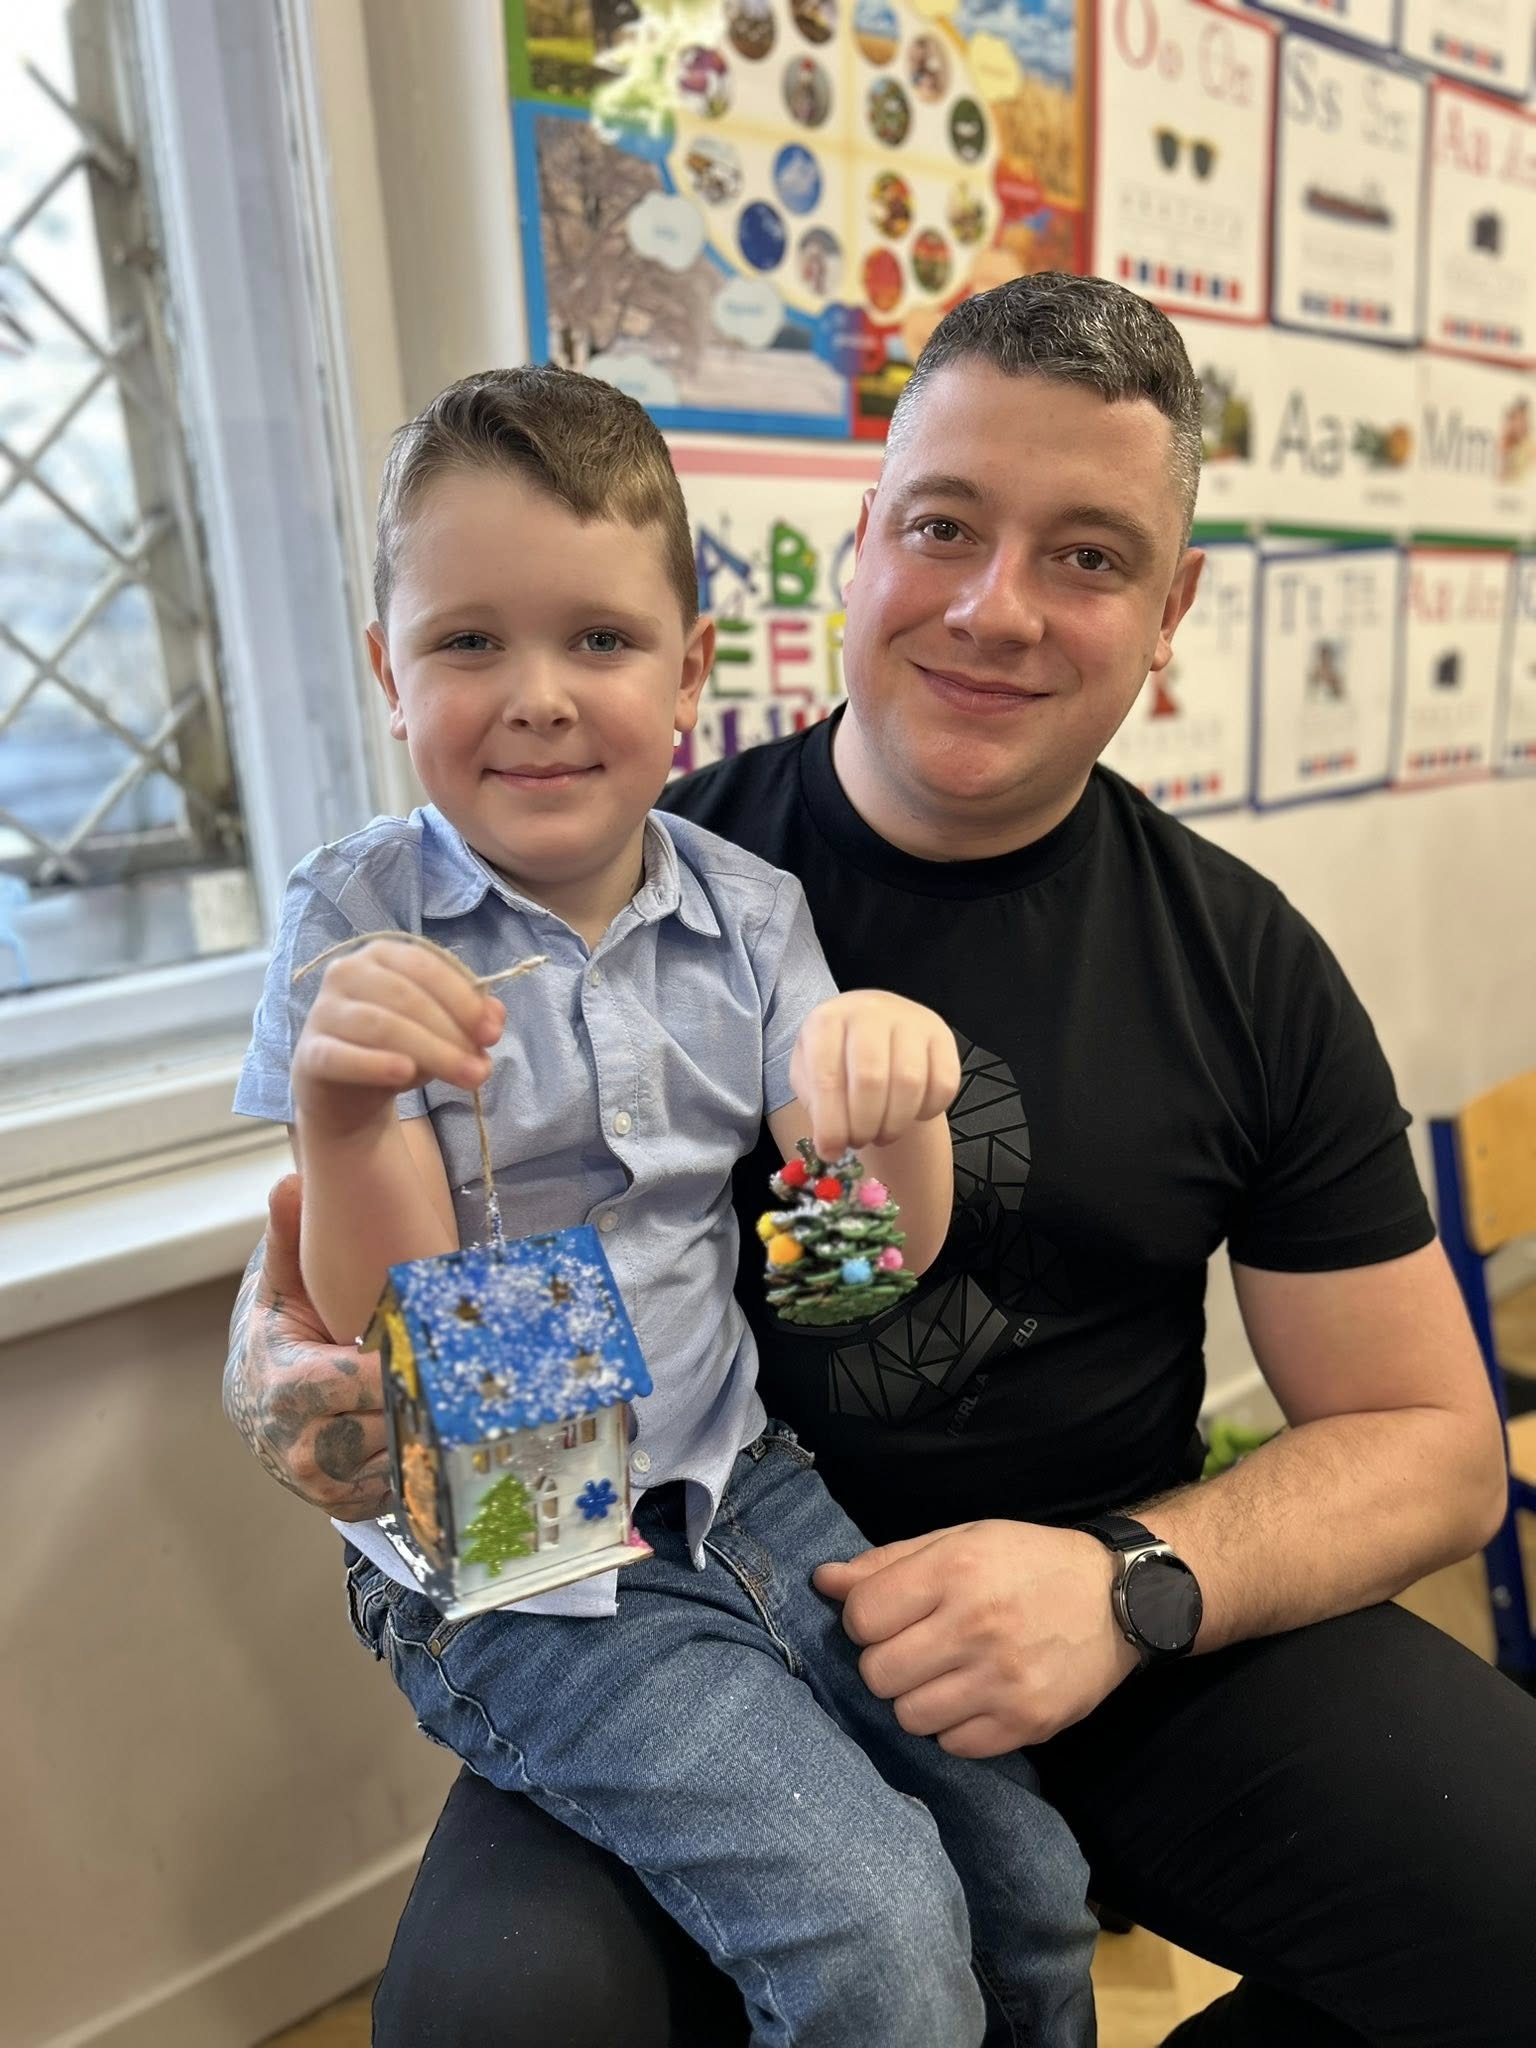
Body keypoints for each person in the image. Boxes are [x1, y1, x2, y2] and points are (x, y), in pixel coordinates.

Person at [225, 276, 1536, 2047]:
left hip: (1095, 1616)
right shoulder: (600, 860)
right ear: (864, 544)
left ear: (1171, 612)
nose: (996, 607)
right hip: (630, 1570)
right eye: (945, 526)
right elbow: (379, 1314)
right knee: (515, 2010)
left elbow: (1434, 1447)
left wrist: (1128, 1585)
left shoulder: (1221, 960)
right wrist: (311, 1360)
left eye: (1088, 554)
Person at [232, 361, 1099, 2048]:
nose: (539, 697)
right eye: (468, 642)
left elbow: (857, 1266)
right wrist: (342, 1113)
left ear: (689, 671)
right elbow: (385, 1318)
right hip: (504, 1548)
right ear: (388, 675)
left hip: (740, 1479)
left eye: (600, 640)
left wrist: (899, 1108)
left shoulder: (751, 916)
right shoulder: (353, 920)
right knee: (877, 1935)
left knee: (1030, 1881)